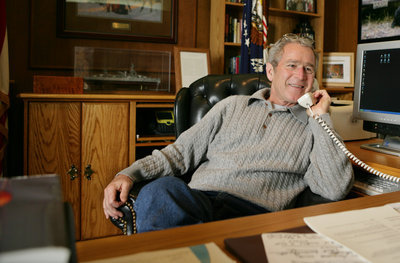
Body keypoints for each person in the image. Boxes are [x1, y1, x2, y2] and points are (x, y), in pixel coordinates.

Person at [103, 34, 354, 233]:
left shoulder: (315, 127)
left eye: (309, 69)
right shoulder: (231, 106)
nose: (300, 76)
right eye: (292, 65)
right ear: (270, 71)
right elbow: (179, 154)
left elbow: (334, 188)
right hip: (199, 201)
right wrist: (129, 174)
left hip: (254, 216)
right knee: (160, 190)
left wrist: (321, 117)